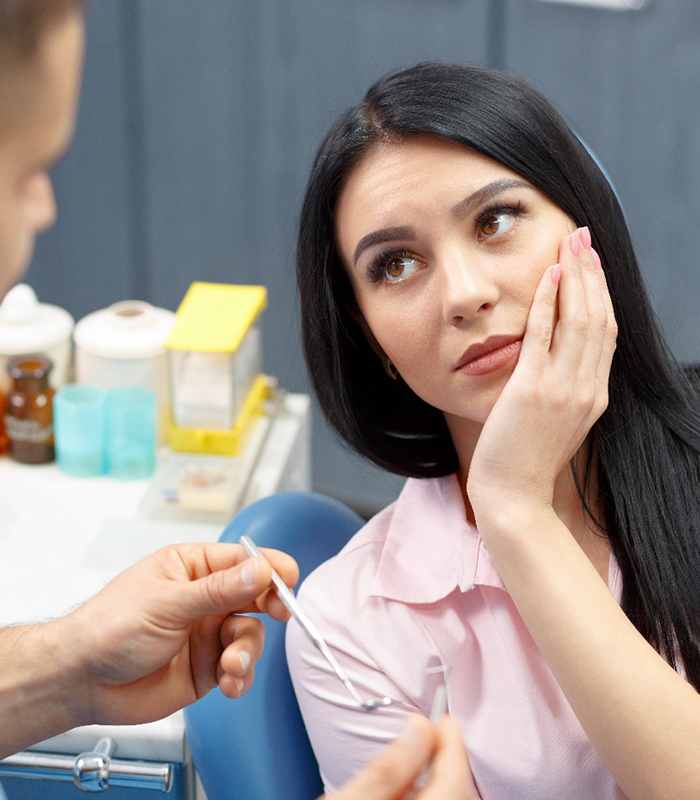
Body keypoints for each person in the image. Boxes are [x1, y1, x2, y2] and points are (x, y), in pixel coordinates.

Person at [0, 3, 468, 797]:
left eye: (497, 220)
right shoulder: (357, 627)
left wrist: (62, 668)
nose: (44, 209)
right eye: (24, 170)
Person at [287, 62, 700, 800]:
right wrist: (514, 507)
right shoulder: (350, 628)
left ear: (585, 225)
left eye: (494, 220)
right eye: (397, 264)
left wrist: (515, 503)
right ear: (368, 333)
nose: (467, 295)